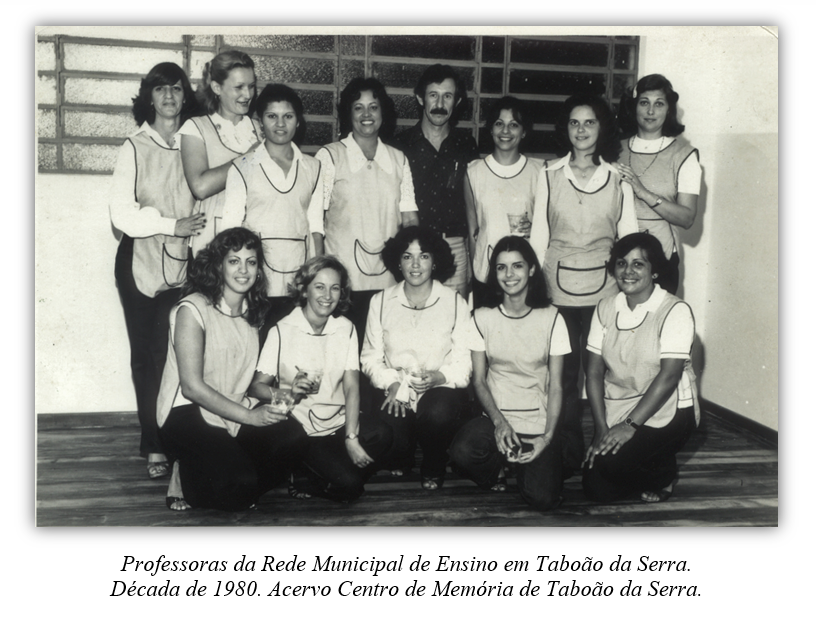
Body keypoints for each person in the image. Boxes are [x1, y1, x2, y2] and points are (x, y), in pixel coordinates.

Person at [157, 228, 308, 511]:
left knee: (295, 438)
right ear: (218, 265)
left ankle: (230, 471)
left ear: (259, 270)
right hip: (188, 411)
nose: (243, 270)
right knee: (239, 487)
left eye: (251, 262)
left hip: (233, 408)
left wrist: (285, 392)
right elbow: (191, 388)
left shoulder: (254, 312)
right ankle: (186, 476)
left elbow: (247, 380)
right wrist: (250, 417)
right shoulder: (192, 309)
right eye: (234, 261)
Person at [527, 93, 639, 476]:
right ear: (566, 128)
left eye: (589, 122)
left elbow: (628, 239)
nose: (581, 130)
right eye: (574, 122)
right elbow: (539, 238)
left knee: (602, 372)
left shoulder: (618, 177)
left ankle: (607, 446)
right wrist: (533, 290)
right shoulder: (548, 174)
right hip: (557, 290)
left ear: (601, 127)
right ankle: (566, 451)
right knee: (563, 375)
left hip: (604, 292)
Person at [109, 62, 202, 480]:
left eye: (177, 89)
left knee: (177, 355)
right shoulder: (133, 146)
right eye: (161, 89)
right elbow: (121, 215)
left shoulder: (195, 142)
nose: (169, 96)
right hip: (138, 261)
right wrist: (170, 224)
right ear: (149, 96)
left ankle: (181, 438)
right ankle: (153, 445)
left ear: (186, 96)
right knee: (146, 356)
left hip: (184, 262)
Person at [248, 256, 392, 502]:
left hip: (336, 423)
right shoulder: (281, 330)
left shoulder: (346, 328)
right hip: (302, 429)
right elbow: (256, 388)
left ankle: (317, 471)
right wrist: (288, 392)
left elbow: (351, 387)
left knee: (384, 434)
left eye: (335, 288)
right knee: (351, 487)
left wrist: (351, 437)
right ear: (304, 290)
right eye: (319, 287)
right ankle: (314, 470)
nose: (327, 295)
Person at [450, 237, 570, 510]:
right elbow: (479, 380)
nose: (509, 274)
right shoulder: (481, 317)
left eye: (517, 266)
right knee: (462, 452)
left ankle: (522, 463)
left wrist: (547, 438)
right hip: (495, 416)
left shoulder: (553, 318)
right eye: (501, 267)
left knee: (542, 499)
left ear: (531, 270)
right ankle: (497, 468)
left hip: (536, 420)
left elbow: (556, 386)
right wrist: (500, 423)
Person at [582, 232, 699, 503]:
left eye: (638, 264)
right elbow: (594, 372)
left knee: (610, 465)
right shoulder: (605, 308)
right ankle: (647, 462)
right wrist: (600, 428)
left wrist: (629, 426)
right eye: (621, 263)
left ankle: (663, 473)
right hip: (620, 404)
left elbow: (669, 376)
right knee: (596, 490)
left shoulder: (675, 310)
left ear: (654, 270)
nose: (628, 271)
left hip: (667, 408)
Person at [361, 226, 475, 489]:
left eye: (423, 256)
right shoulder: (380, 301)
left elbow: (464, 363)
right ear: (397, 262)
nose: (415, 265)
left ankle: (434, 465)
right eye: (407, 256)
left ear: (434, 262)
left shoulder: (455, 302)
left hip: (439, 392)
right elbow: (369, 358)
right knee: (392, 442)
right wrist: (391, 383)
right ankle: (403, 454)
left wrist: (440, 377)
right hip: (396, 390)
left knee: (437, 413)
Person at [315, 77, 419, 345]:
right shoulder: (330, 156)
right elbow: (315, 220)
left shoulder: (398, 159)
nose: (366, 114)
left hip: (389, 280)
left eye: (373, 107)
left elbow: (410, 219)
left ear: (383, 112)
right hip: (342, 282)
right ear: (348, 113)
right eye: (358, 107)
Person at [221, 84, 324, 333]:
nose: (280, 124)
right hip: (256, 280)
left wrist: (316, 279)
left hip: (298, 279)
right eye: (271, 116)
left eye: (288, 116)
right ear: (260, 122)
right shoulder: (241, 167)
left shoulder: (314, 167)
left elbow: (316, 228)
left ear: (298, 121)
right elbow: (229, 232)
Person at [394, 64, 480, 299]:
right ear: (420, 98)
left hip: (455, 247)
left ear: (457, 101)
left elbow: (474, 204)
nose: (440, 104)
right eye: (433, 95)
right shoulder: (399, 146)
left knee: (453, 314)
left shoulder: (466, 145)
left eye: (447, 96)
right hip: (413, 248)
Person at [616, 74, 702, 294]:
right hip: (618, 259)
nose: (651, 111)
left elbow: (687, 218)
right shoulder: (615, 149)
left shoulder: (684, 155)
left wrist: (643, 192)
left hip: (660, 260)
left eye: (659, 104)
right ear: (634, 106)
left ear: (669, 109)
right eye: (644, 102)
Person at [179, 50, 262, 256]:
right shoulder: (196, 127)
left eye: (251, 86)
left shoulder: (260, 129)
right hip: (212, 239)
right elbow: (200, 187)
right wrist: (248, 157)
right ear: (217, 88)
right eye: (239, 87)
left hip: (254, 236)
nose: (248, 95)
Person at [465, 96, 543, 308]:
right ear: (491, 129)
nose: (505, 131)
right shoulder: (473, 171)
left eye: (514, 125)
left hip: (525, 273)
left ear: (524, 131)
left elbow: (548, 225)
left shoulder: (539, 171)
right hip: (486, 273)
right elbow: (473, 232)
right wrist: (475, 275)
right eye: (499, 124)